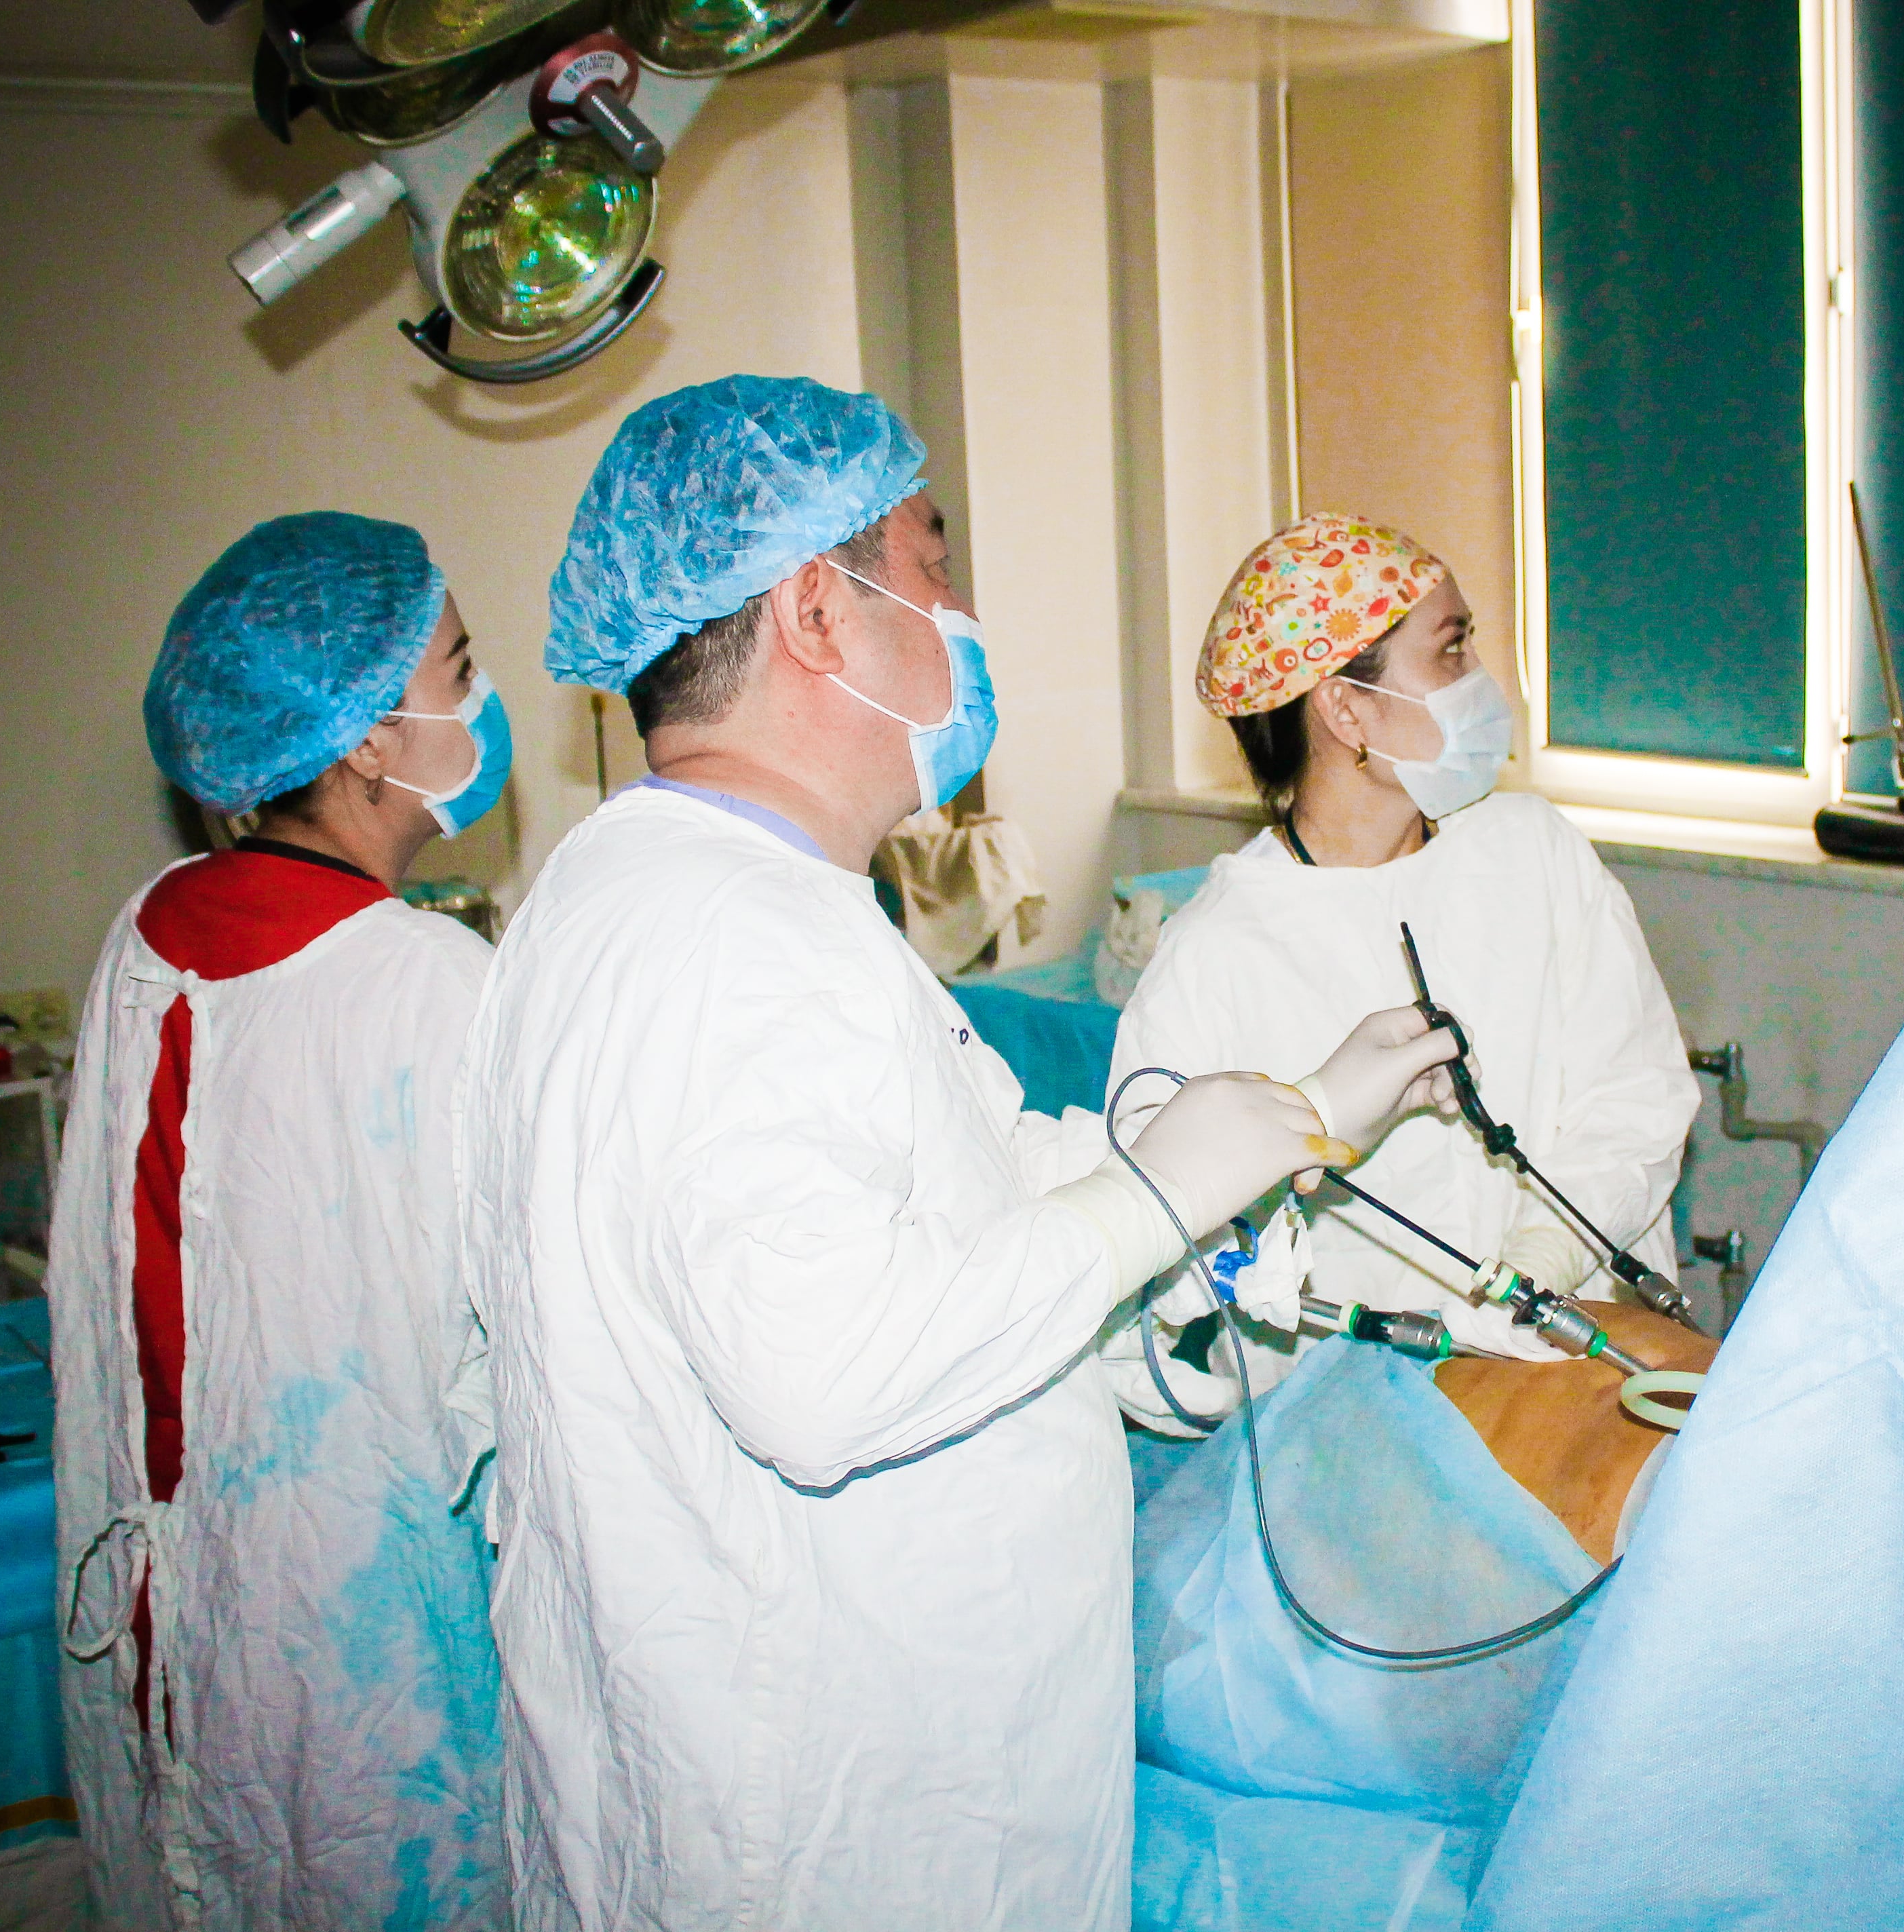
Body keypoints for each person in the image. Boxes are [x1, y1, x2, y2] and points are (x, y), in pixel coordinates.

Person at [459, 375, 1457, 1931]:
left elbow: (952, 1190)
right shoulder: (725, 938)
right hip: (835, 1828)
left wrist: (1259, 1150)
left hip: (818, 1769)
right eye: (933, 566)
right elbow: (827, 1373)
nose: (964, 616)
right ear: (815, 610)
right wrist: (1153, 1194)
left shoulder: (698, 897)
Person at [50, 513, 511, 1931]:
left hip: (177, 1599)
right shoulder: (425, 983)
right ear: (369, 738)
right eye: (459, 668)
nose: (482, 700)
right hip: (366, 1625)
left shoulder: (146, 931)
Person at [1108, 512, 1701, 1427]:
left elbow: (1640, 1095)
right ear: (1346, 710)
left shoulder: (1532, 852)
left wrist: (1543, 1259)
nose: (1483, 680)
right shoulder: (1217, 958)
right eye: (1452, 650)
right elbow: (1162, 1241)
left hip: (1591, 1364)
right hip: (1370, 1427)